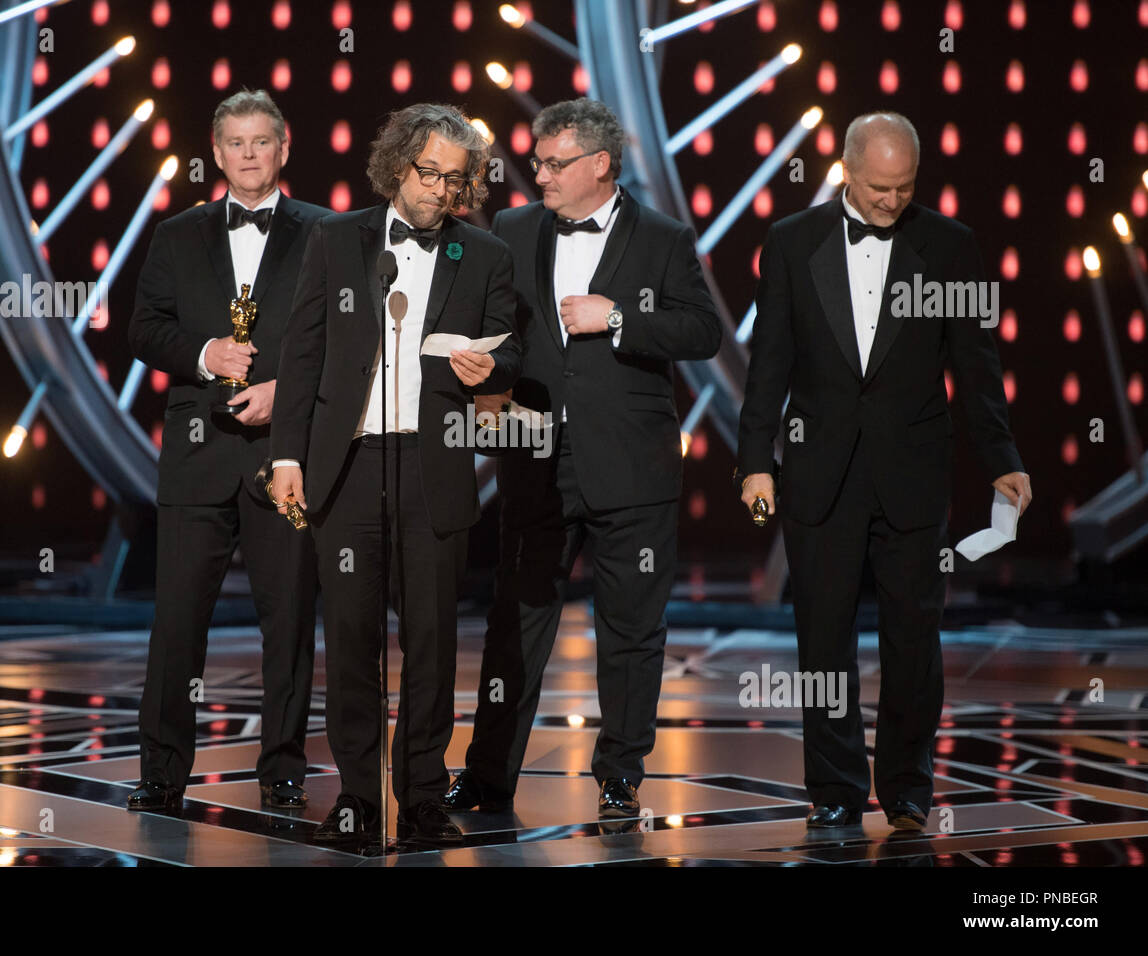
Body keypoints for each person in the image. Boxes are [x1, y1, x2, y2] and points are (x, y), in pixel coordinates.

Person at [736, 111, 1032, 830]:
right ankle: (835, 788)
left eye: (903, 188)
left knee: (914, 639)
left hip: (912, 475)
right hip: (817, 471)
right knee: (824, 638)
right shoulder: (790, 240)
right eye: (877, 187)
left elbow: (977, 366)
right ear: (845, 168)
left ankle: (906, 786)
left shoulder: (950, 245)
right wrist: (754, 464)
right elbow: (768, 361)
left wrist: (1002, 460)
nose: (890, 201)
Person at [445, 98, 722, 819]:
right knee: (516, 620)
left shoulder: (662, 238)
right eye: (536, 160)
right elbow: (505, 331)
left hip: (632, 465)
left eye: (553, 163)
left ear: (600, 164)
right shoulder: (511, 227)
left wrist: (621, 318)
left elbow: (702, 332)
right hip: (534, 455)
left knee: (631, 626)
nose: (537, 174)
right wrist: (486, 364)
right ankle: (487, 775)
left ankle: (621, 774)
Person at [269, 103, 519, 846]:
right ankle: (356, 795)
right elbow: (301, 355)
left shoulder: (485, 255)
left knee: (434, 641)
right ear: (396, 166)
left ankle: (420, 795)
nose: (441, 190)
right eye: (429, 173)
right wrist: (287, 456)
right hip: (347, 467)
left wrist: (489, 370)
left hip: (433, 465)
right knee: (349, 638)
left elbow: (510, 356)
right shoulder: (337, 239)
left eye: (455, 178)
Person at [126, 90, 327, 813]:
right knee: (177, 623)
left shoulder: (327, 233)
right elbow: (144, 330)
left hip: (288, 454)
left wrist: (284, 389)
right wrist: (207, 354)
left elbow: (347, 337)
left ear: (284, 147)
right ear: (215, 153)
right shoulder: (178, 235)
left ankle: (282, 769)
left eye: (261, 141)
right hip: (198, 455)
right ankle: (161, 773)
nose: (248, 154)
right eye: (235, 142)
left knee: (291, 620)